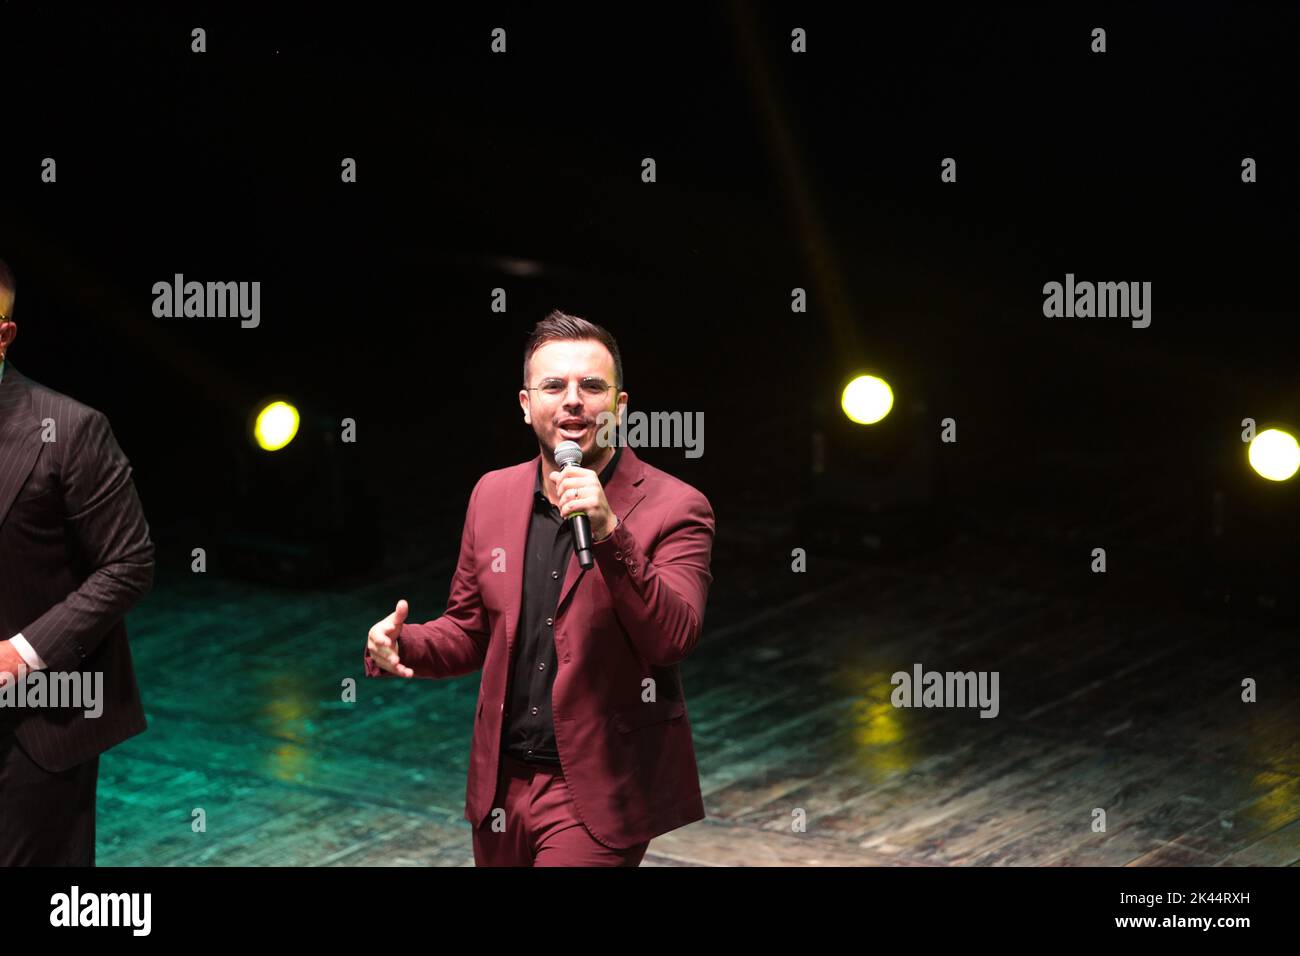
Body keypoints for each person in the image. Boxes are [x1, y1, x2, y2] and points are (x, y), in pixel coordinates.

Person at [365, 310, 715, 866]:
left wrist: (609, 533)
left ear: (620, 409)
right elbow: (470, 630)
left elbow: (671, 639)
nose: (573, 400)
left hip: (597, 788)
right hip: (501, 786)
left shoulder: (677, 507)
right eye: (553, 385)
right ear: (527, 405)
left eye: (592, 386)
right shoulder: (493, 494)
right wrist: (402, 646)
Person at [0, 257, 155, 865]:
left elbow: (129, 563)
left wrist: (20, 656)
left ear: (4, 334)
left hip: (36, 722)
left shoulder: (69, 430)